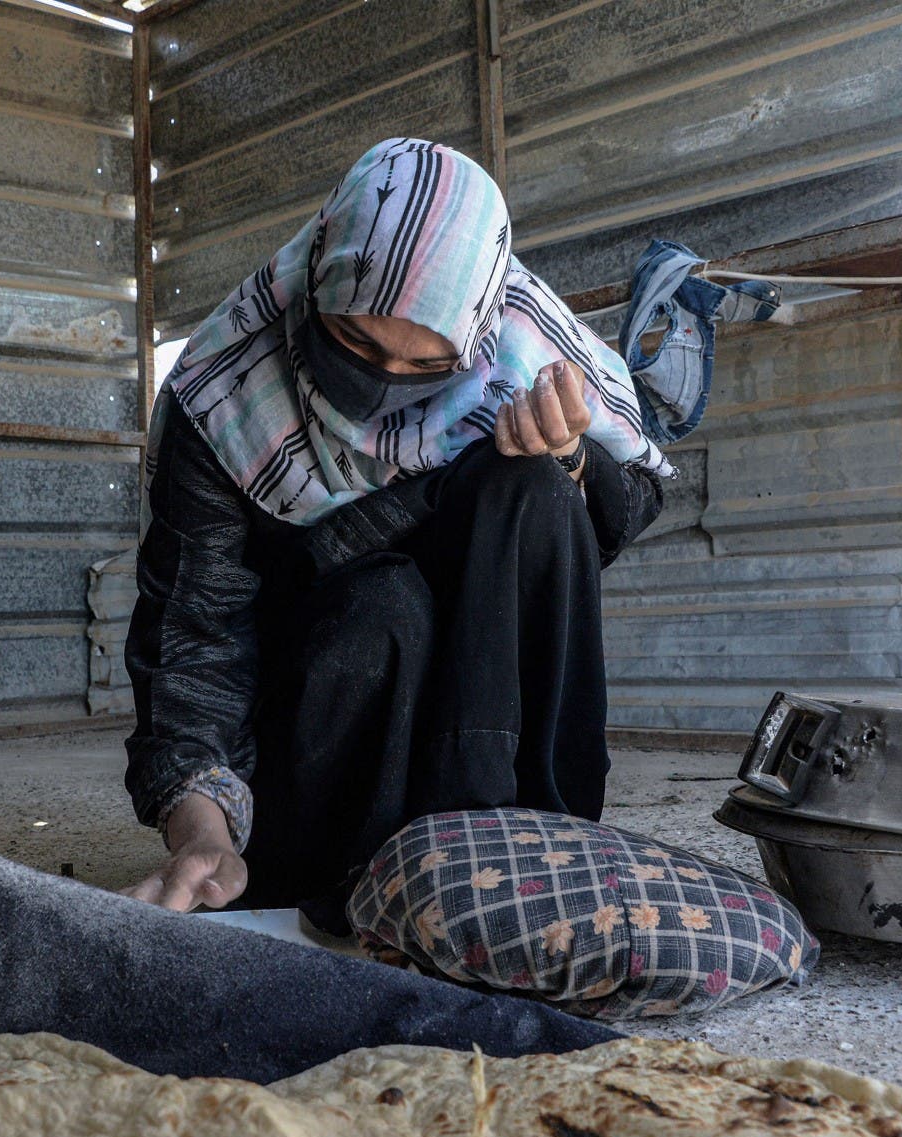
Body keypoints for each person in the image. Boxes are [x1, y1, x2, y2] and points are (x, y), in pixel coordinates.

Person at [120, 139, 667, 929]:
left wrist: (574, 459)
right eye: (355, 345)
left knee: (534, 486)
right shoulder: (224, 394)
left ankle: (539, 849)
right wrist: (203, 830)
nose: (383, 387)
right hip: (320, 749)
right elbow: (194, 635)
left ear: (476, 335)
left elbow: (618, 515)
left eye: (426, 367)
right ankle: (354, 879)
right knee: (380, 604)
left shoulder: (524, 353)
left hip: (485, 731)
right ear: (316, 284)